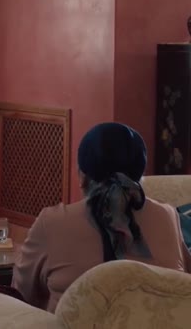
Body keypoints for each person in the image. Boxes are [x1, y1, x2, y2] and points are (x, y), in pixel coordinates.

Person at [12, 122, 191, 313]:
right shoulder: (168, 216)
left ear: (82, 177)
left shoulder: (52, 223)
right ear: (139, 177)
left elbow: (20, 297)